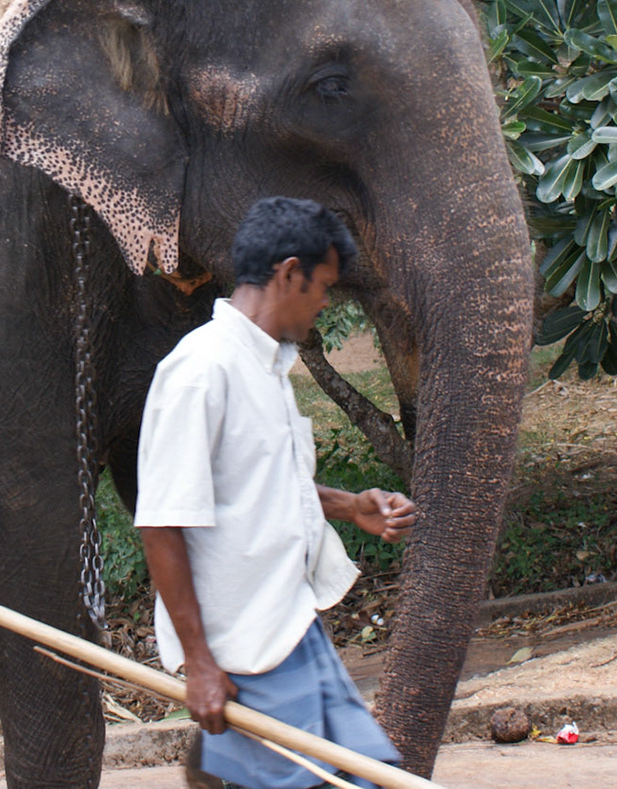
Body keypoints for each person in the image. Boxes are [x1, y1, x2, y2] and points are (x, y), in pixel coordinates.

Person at [136, 197, 412, 789]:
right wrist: (201, 665)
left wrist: (350, 506)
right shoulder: (200, 371)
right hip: (244, 647)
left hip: (288, 623)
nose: (324, 303)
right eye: (323, 287)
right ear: (289, 273)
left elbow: (265, 486)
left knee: (364, 775)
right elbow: (161, 523)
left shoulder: (266, 368)